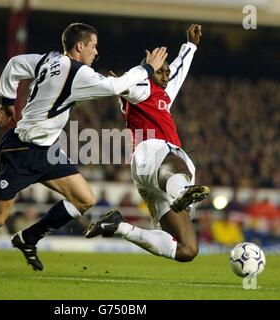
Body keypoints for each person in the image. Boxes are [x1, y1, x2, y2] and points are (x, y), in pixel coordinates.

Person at [0, 22, 168, 275]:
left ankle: (29, 237)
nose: (96, 53)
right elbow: (114, 87)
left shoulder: (48, 59)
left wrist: (6, 101)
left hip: (47, 149)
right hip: (20, 150)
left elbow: (15, 64)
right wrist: (147, 69)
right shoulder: (77, 71)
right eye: (93, 47)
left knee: (85, 199)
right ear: (79, 46)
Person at [85, 24, 210, 262]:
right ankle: (181, 192)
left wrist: (190, 45)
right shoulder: (143, 87)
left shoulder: (162, 92)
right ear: (150, 71)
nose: (165, 76)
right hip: (151, 153)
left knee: (187, 249)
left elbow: (179, 71)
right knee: (175, 159)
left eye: (166, 73)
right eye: (160, 72)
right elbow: (128, 85)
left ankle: (118, 226)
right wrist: (139, 72)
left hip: (151, 175)